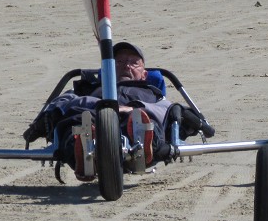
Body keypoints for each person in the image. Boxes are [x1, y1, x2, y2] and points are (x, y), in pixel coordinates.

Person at [23, 41, 209, 180]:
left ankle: (144, 147)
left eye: (133, 63)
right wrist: (41, 124)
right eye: (118, 62)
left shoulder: (152, 93)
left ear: (144, 74)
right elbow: (60, 103)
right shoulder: (90, 90)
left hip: (135, 117)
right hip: (94, 115)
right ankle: (82, 151)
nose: (126, 66)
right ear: (107, 70)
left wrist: (136, 107)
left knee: (145, 120)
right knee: (78, 120)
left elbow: (168, 110)